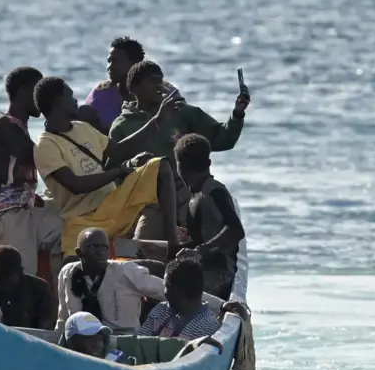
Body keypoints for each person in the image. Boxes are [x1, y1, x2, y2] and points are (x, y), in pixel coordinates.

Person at [32, 75, 181, 265]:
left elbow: (118, 150)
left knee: (160, 165)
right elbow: (75, 185)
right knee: (74, 263)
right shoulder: (45, 145)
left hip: (114, 203)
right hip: (82, 219)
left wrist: (157, 121)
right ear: (59, 101)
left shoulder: (82, 127)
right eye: (70, 95)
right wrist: (119, 171)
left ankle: (173, 244)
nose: (76, 100)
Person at [0, 67, 64, 277]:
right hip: (6, 215)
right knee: (23, 277)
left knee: (67, 232)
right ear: (23, 90)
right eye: (37, 91)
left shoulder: (18, 125)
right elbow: (36, 155)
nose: (41, 98)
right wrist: (57, 116)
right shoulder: (4, 124)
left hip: (25, 210)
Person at [56, 227, 224, 331]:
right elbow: (63, 318)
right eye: (93, 247)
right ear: (79, 253)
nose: (100, 252)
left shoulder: (125, 272)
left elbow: (167, 290)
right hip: (81, 343)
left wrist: (221, 305)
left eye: (104, 247)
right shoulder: (67, 273)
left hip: (123, 342)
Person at [108, 60, 249, 165]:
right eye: (152, 81)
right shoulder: (122, 125)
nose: (159, 86)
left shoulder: (180, 112)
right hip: (141, 199)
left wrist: (237, 113)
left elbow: (223, 139)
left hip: (181, 197)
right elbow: (111, 169)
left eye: (160, 81)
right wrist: (131, 164)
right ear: (134, 88)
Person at [173, 134, 245, 299]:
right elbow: (203, 236)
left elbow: (235, 229)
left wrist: (200, 251)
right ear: (208, 163)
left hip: (217, 275)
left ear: (180, 166)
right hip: (200, 269)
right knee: (147, 268)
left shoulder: (214, 192)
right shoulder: (196, 194)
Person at [81, 37, 180, 131]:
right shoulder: (100, 94)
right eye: (109, 61)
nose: (110, 67)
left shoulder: (165, 91)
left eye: (117, 61)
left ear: (136, 63)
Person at [0, 245, 55, 329]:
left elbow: (44, 329)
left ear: (20, 271)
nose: (3, 282)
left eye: (7, 277)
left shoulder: (39, 289)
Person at [140, 256, 222, 340]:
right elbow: (139, 343)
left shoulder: (207, 328)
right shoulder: (160, 310)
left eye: (165, 286)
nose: (164, 292)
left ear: (177, 291)